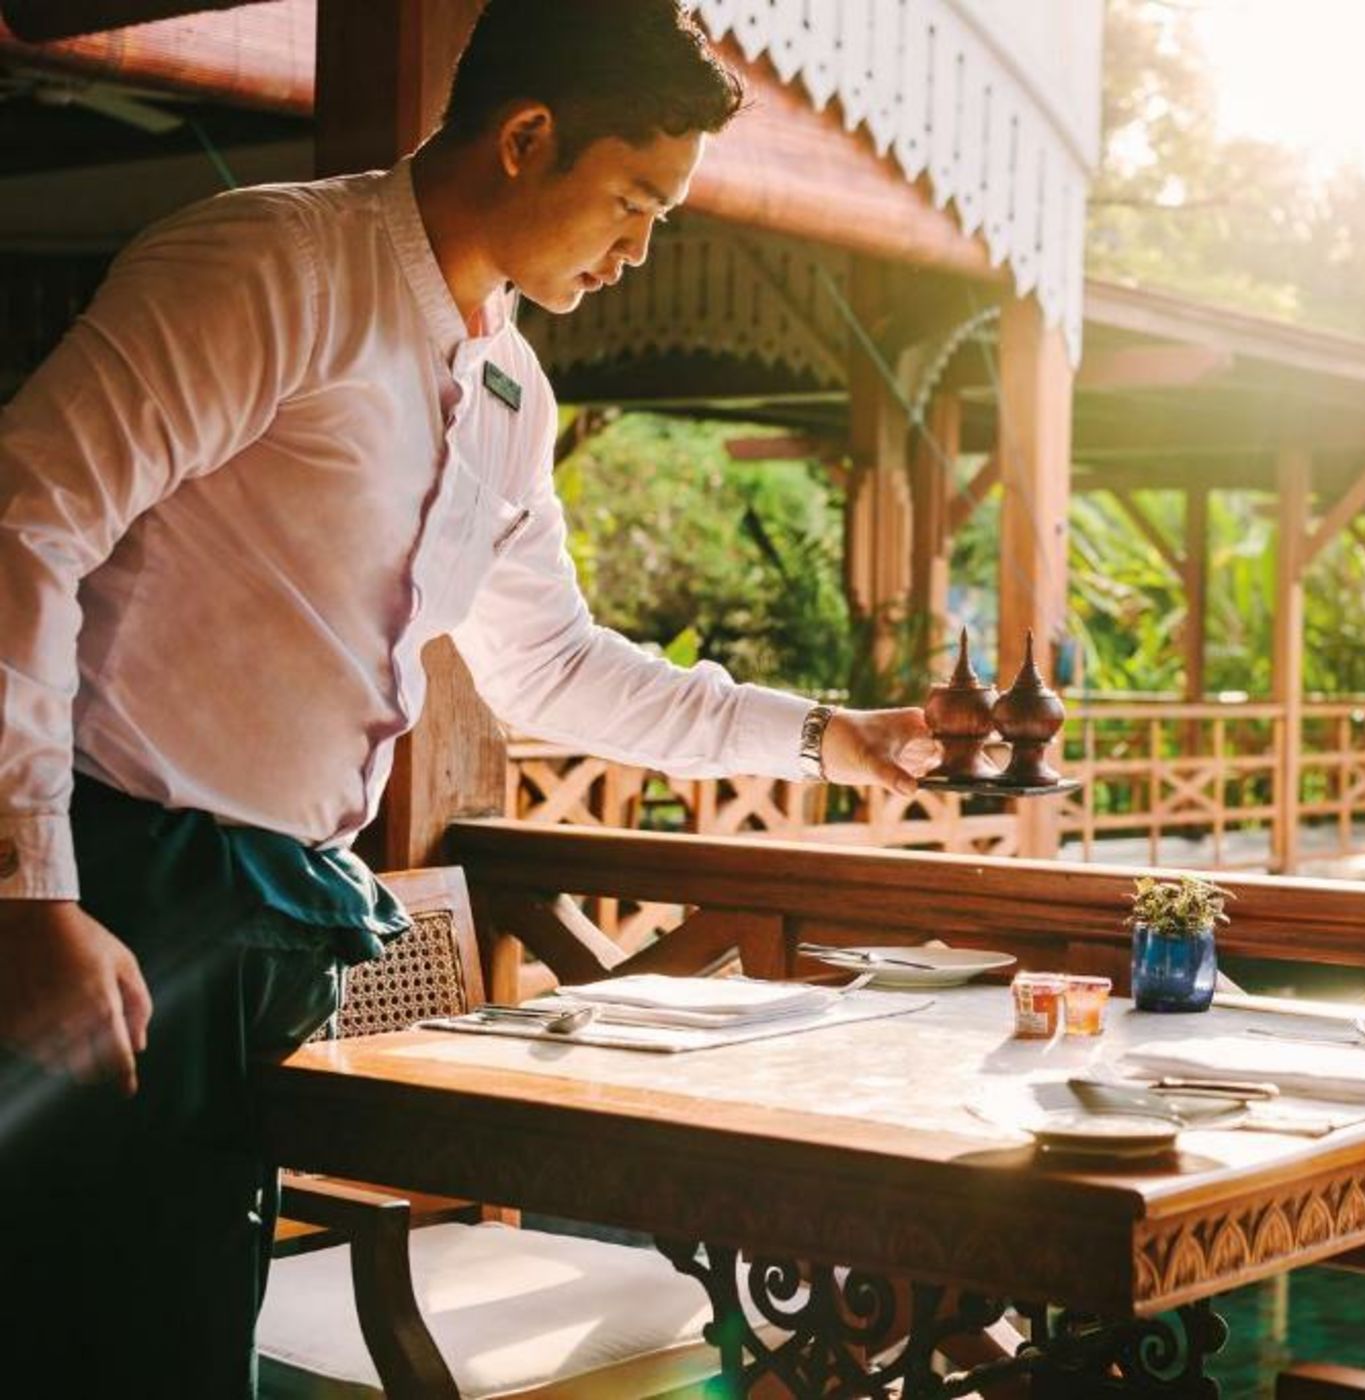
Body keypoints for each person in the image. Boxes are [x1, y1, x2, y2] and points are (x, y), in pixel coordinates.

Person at [0, 1, 936, 1391]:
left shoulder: (509, 391)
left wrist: (822, 737)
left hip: (274, 929)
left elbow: (549, 665)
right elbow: (27, 520)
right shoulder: (272, 264)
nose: (641, 245)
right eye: (632, 199)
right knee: (93, 1350)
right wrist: (31, 896)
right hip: (125, 888)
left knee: (186, 1344)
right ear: (525, 137)